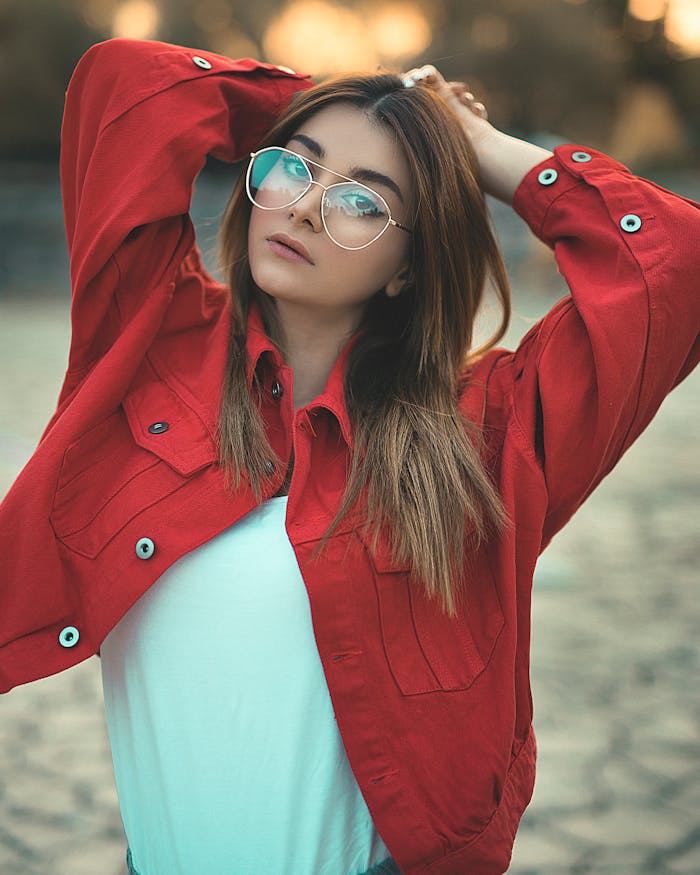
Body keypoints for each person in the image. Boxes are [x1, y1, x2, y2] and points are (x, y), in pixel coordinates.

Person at [0, 35, 698, 875]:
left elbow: (679, 264)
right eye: (295, 166)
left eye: (363, 202)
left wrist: (472, 145)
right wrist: (369, 97)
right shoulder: (152, 346)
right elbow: (124, 86)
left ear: (408, 267)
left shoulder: (482, 435)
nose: (304, 208)